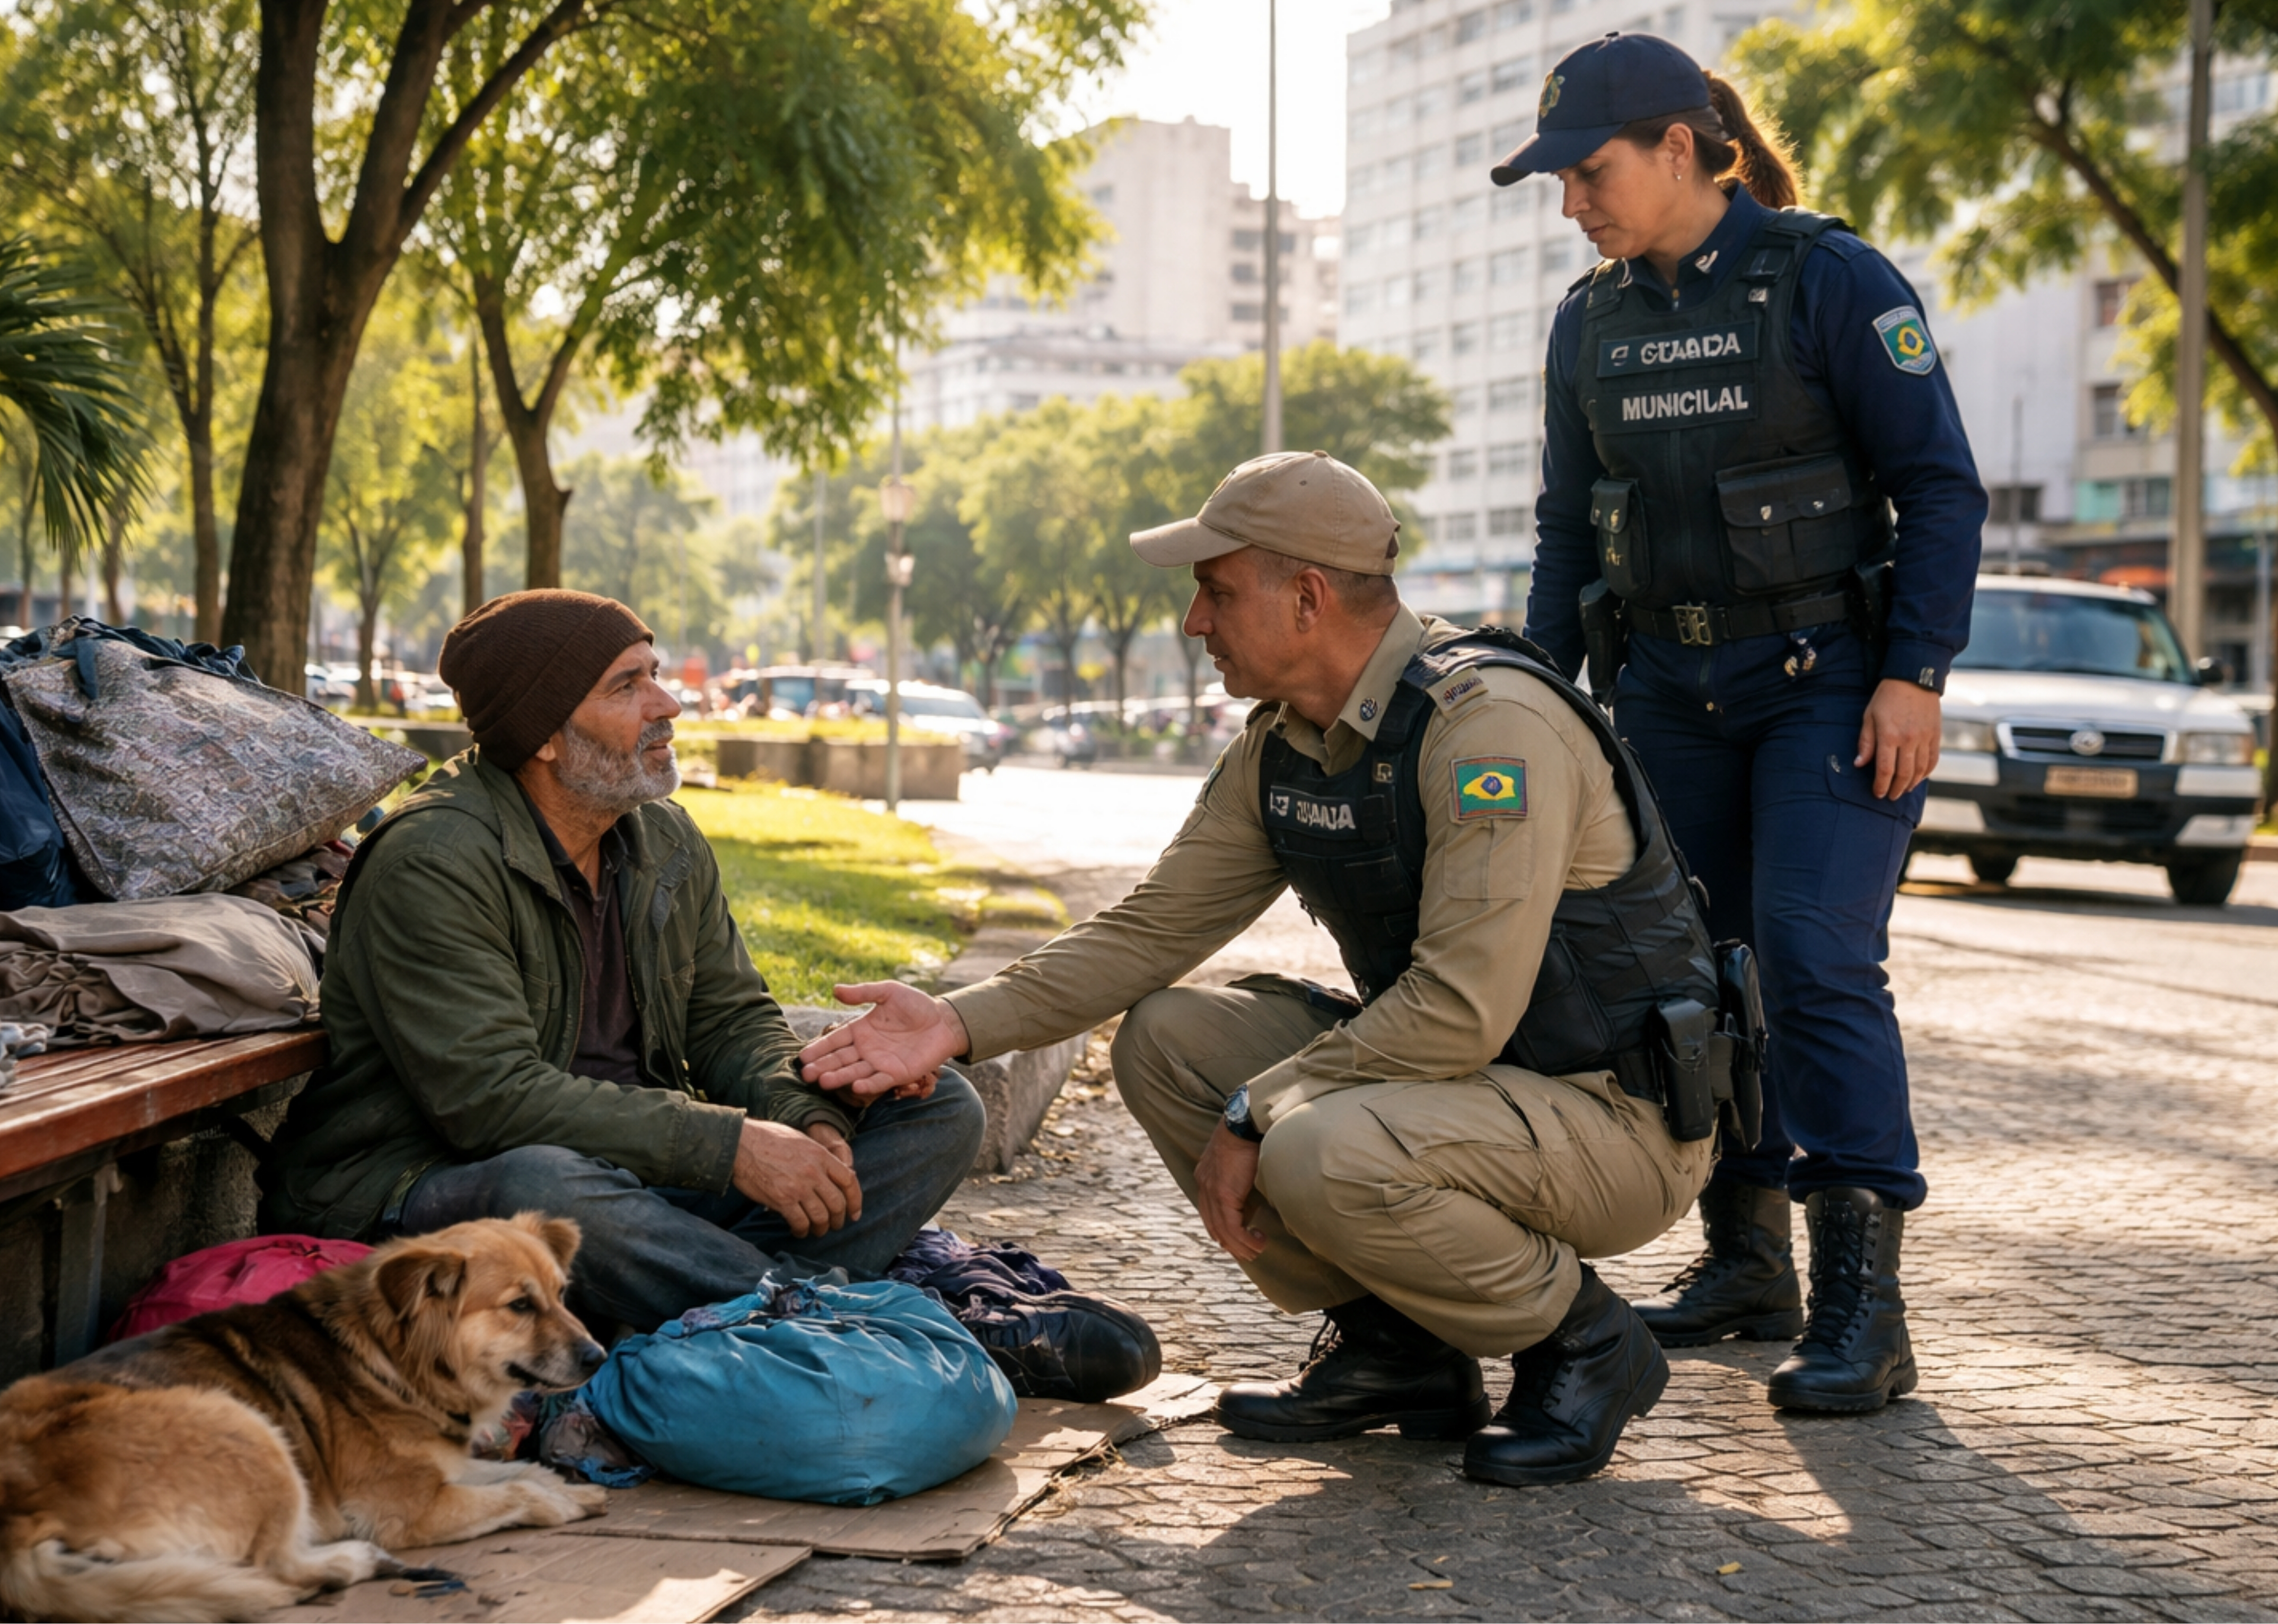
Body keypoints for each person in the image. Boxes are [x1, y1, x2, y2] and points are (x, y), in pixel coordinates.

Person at [802, 451, 1740, 1487]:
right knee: (1166, 1040)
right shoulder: (1287, 743)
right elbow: (1152, 928)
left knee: (1314, 1143)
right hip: (1459, 1092)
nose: (1194, 624)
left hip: (1611, 1115)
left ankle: (1587, 1340)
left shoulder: (1492, 726)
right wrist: (955, 1020)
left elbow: (1462, 1010)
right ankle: (1401, 1350)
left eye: (1215, 590)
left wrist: (1259, 1108)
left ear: (1308, 596)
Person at [258, 591, 1151, 1398]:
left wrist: (810, 1120)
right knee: (551, 1189)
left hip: (633, 1185)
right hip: (427, 1185)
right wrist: (728, 1147)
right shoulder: (435, 860)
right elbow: (490, 1102)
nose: (669, 704)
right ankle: (876, 1323)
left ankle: (723, 1306)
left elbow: (729, 1019)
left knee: (938, 1108)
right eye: (627, 686)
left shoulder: (663, 841)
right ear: (542, 733)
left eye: (655, 674)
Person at [1503, 34, 1985, 1411]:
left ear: (1675, 147)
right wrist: (1536, 693)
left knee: (1813, 957)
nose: (1571, 205)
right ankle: (1747, 1259)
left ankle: (1864, 1310)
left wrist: (1916, 674)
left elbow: (1940, 489)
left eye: (1586, 173)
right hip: (1664, 688)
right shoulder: (1585, 321)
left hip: (1826, 685)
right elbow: (1562, 526)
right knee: (1700, 970)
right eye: (1556, 183)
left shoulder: (1828, 281)